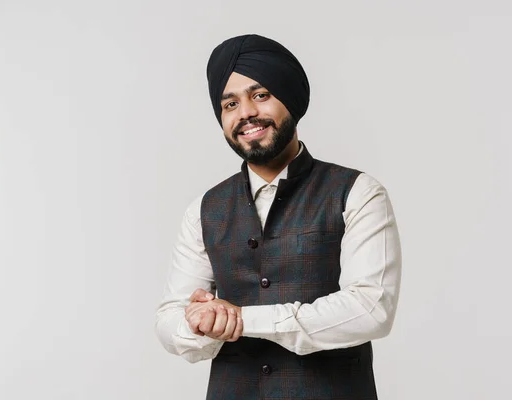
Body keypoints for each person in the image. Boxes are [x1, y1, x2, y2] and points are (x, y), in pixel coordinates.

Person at [155, 33, 402, 400]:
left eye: (260, 95)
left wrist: (242, 318)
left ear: (290, 99)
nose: (246, 113)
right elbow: (170, 317)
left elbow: (370, 308)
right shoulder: (204, 210)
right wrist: (201, 322)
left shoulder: (357, 193)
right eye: (230, 104)